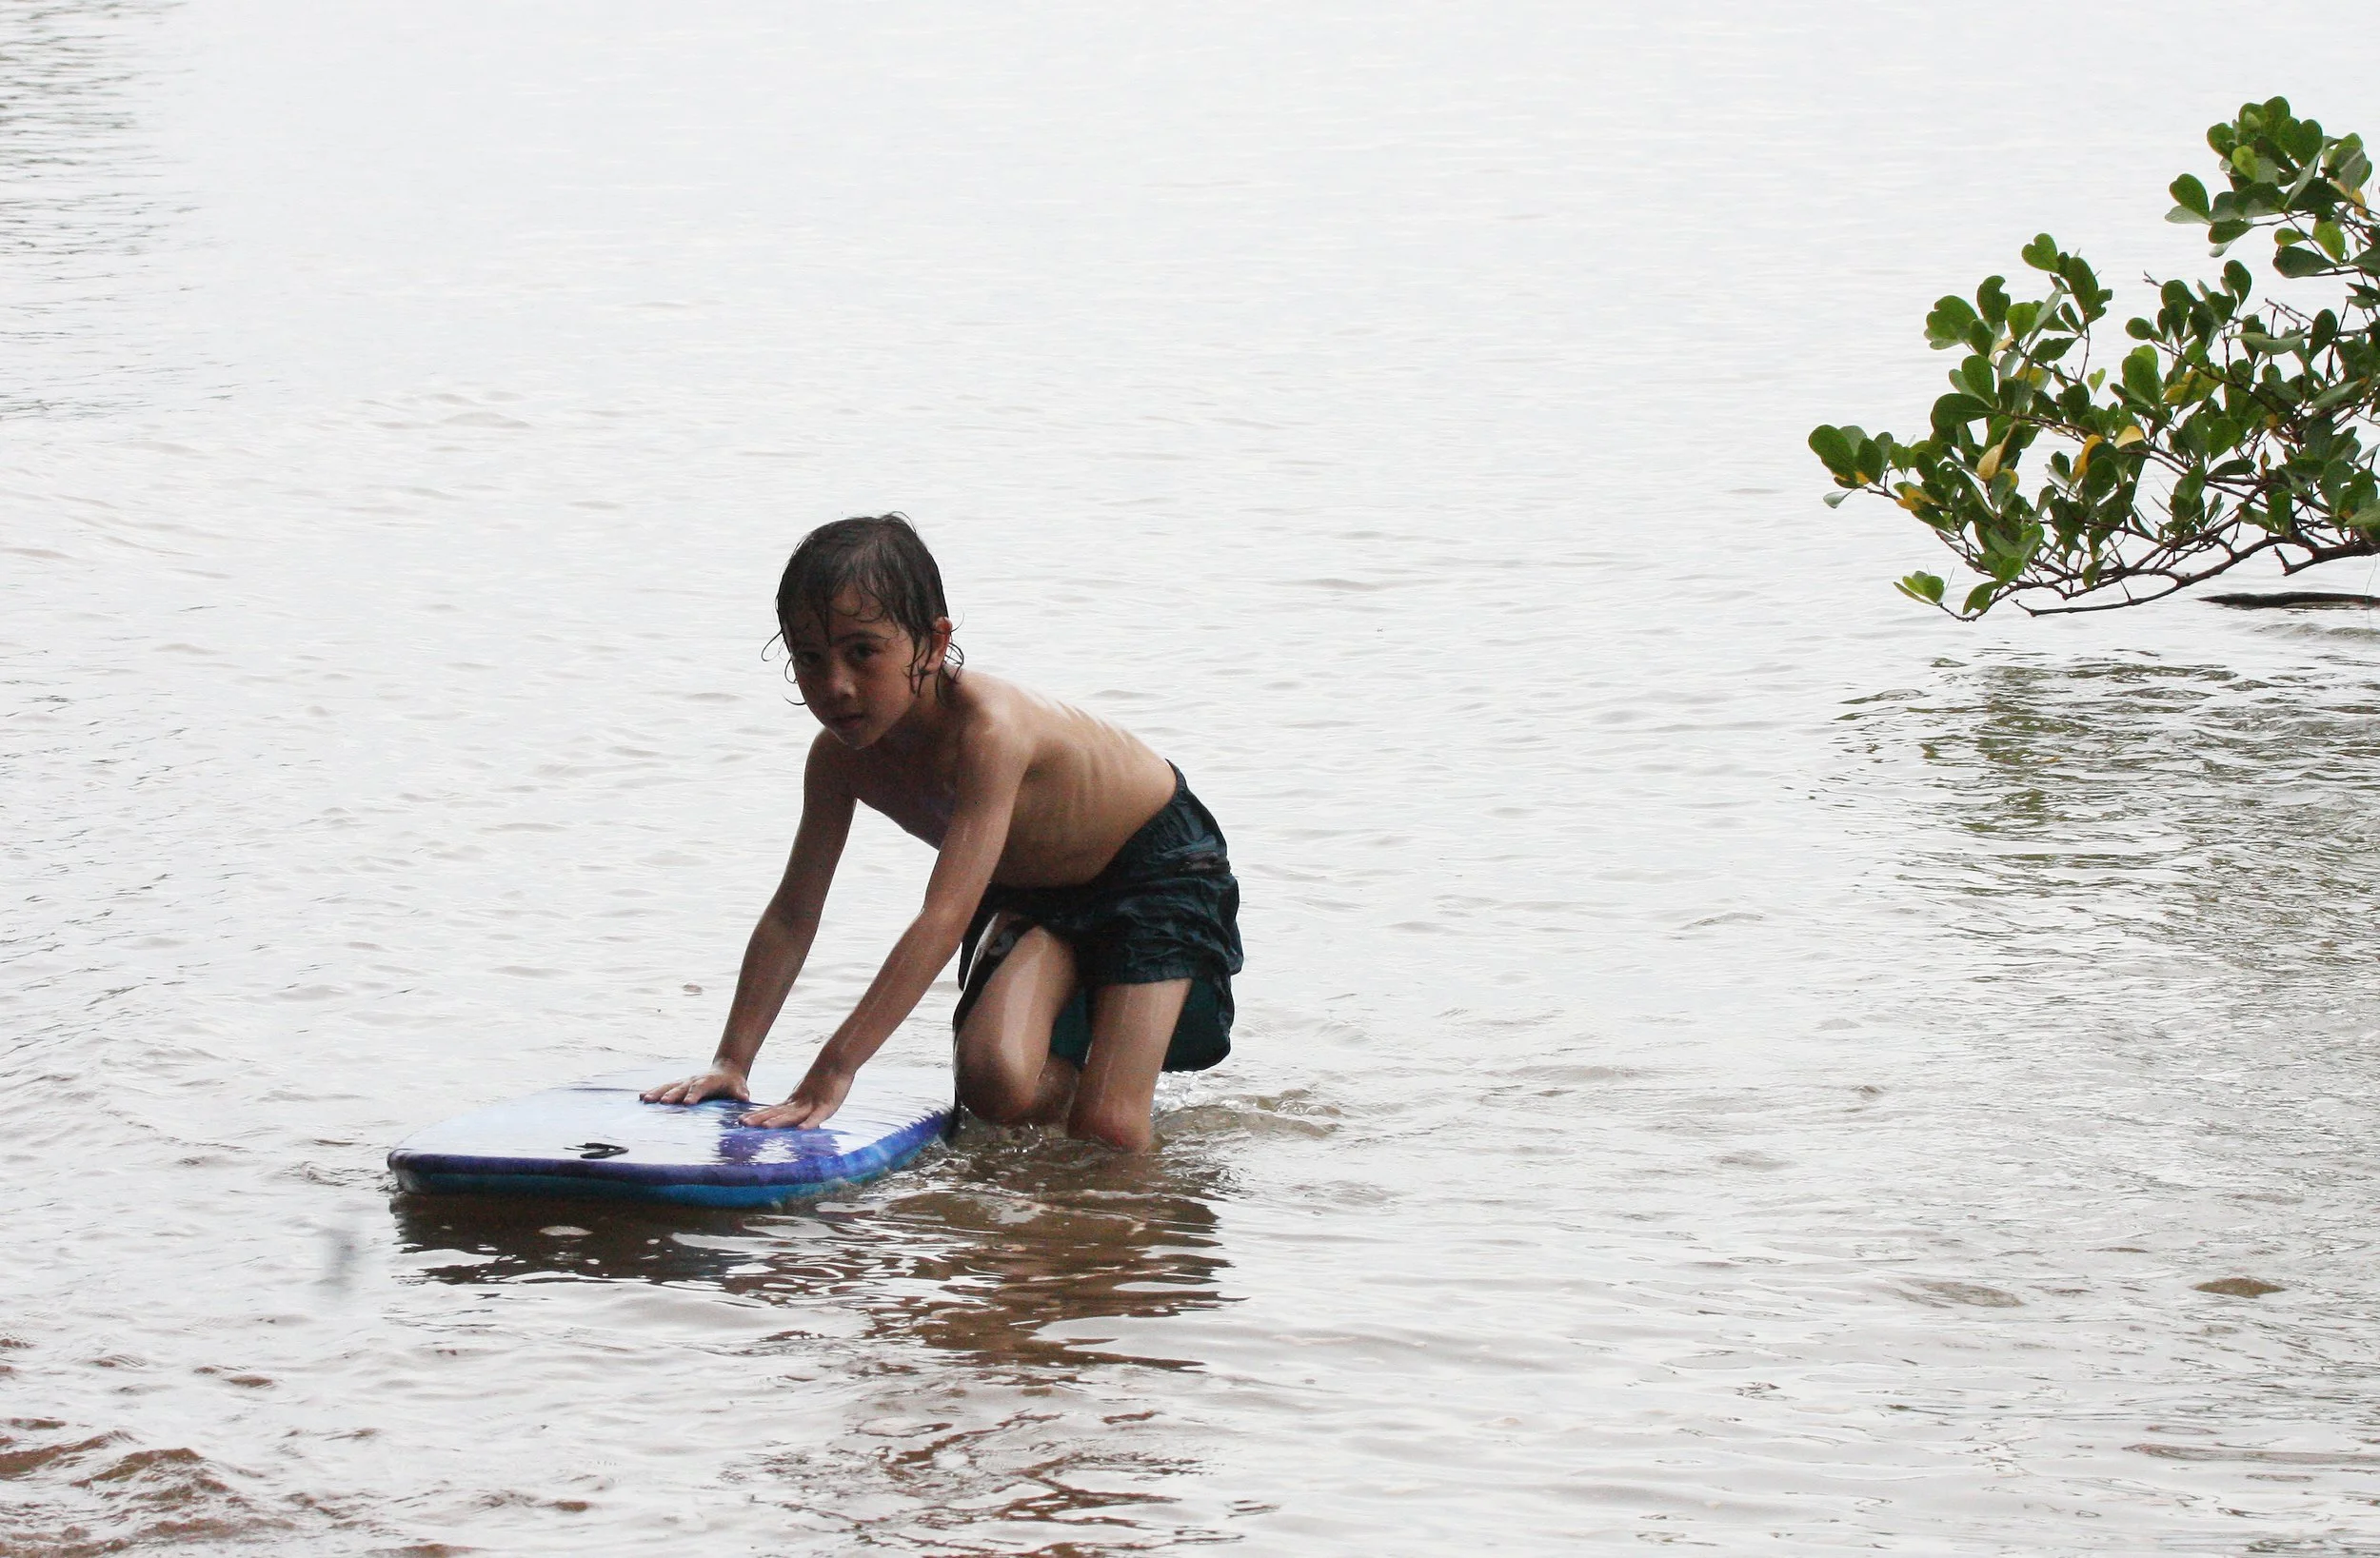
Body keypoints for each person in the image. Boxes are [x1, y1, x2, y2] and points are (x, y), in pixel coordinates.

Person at [642, 515, 1242, 1153]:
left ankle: (1114, 1105)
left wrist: (836, 1066)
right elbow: (794, 912)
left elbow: (945, 914)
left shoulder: (990, 732)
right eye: (809, 659)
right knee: (995, 1089)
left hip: (1155, 866)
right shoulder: (838, 759)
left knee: (1109, 1128)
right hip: (1032, 892)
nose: (835, 685)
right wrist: (733, 1061)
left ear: (931, 644)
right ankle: (1078, 1099)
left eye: (863, 651)